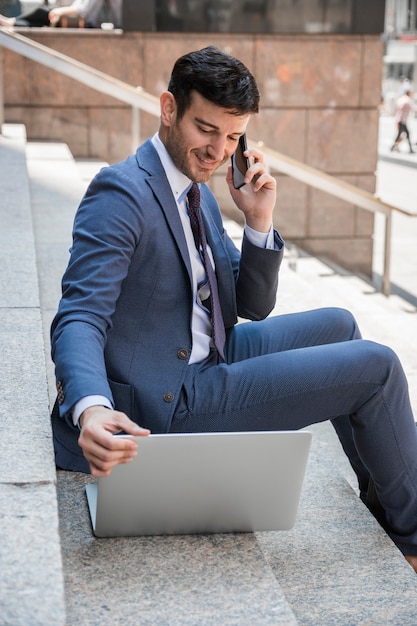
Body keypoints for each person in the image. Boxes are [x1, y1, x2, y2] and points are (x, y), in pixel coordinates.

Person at [50, 46, 417, 572]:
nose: (219, 150)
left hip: (208, 352)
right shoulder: (123, 193)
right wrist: (92, 407)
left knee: (341, 324)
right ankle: (413, 537)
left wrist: (258, 221)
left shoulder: (193, 192)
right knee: (377, 366)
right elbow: (79, 314)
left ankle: (383, 497)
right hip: (167, 400)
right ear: (168, 109)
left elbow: (251, 306)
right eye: (207, 130)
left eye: (233, 136)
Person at [0, 0, 121, 28]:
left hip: (83, 23)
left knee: (42, 12)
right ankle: (11, 22)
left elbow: (83, 10)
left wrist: (60, 11)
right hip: (74, 19)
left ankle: (10, 21)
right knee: (38, 22)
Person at [390, 89, 416, 154]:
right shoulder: (407, 100)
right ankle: (395, 147)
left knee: (402, 134)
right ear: (409, 93)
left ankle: (394, 147)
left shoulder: (401, 99)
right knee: (405, 134)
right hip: (402, 120)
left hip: (399, 119)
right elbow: (413, 108)